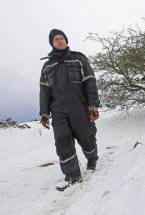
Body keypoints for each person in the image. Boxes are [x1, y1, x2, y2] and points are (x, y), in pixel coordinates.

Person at [39, 29, 100, 188]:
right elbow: (44, 91)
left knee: (86, 136)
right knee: (62, 142)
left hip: (79, 106)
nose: (59, 41)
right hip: (58, 110)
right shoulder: (47, 66)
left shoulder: (79, 59)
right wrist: (44, 112)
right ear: (52, 43)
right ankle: (72, 176)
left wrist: (92, 104)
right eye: (56, 39)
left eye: (61, 38)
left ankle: (92, 159)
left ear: (66, 41)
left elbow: (90, 81)